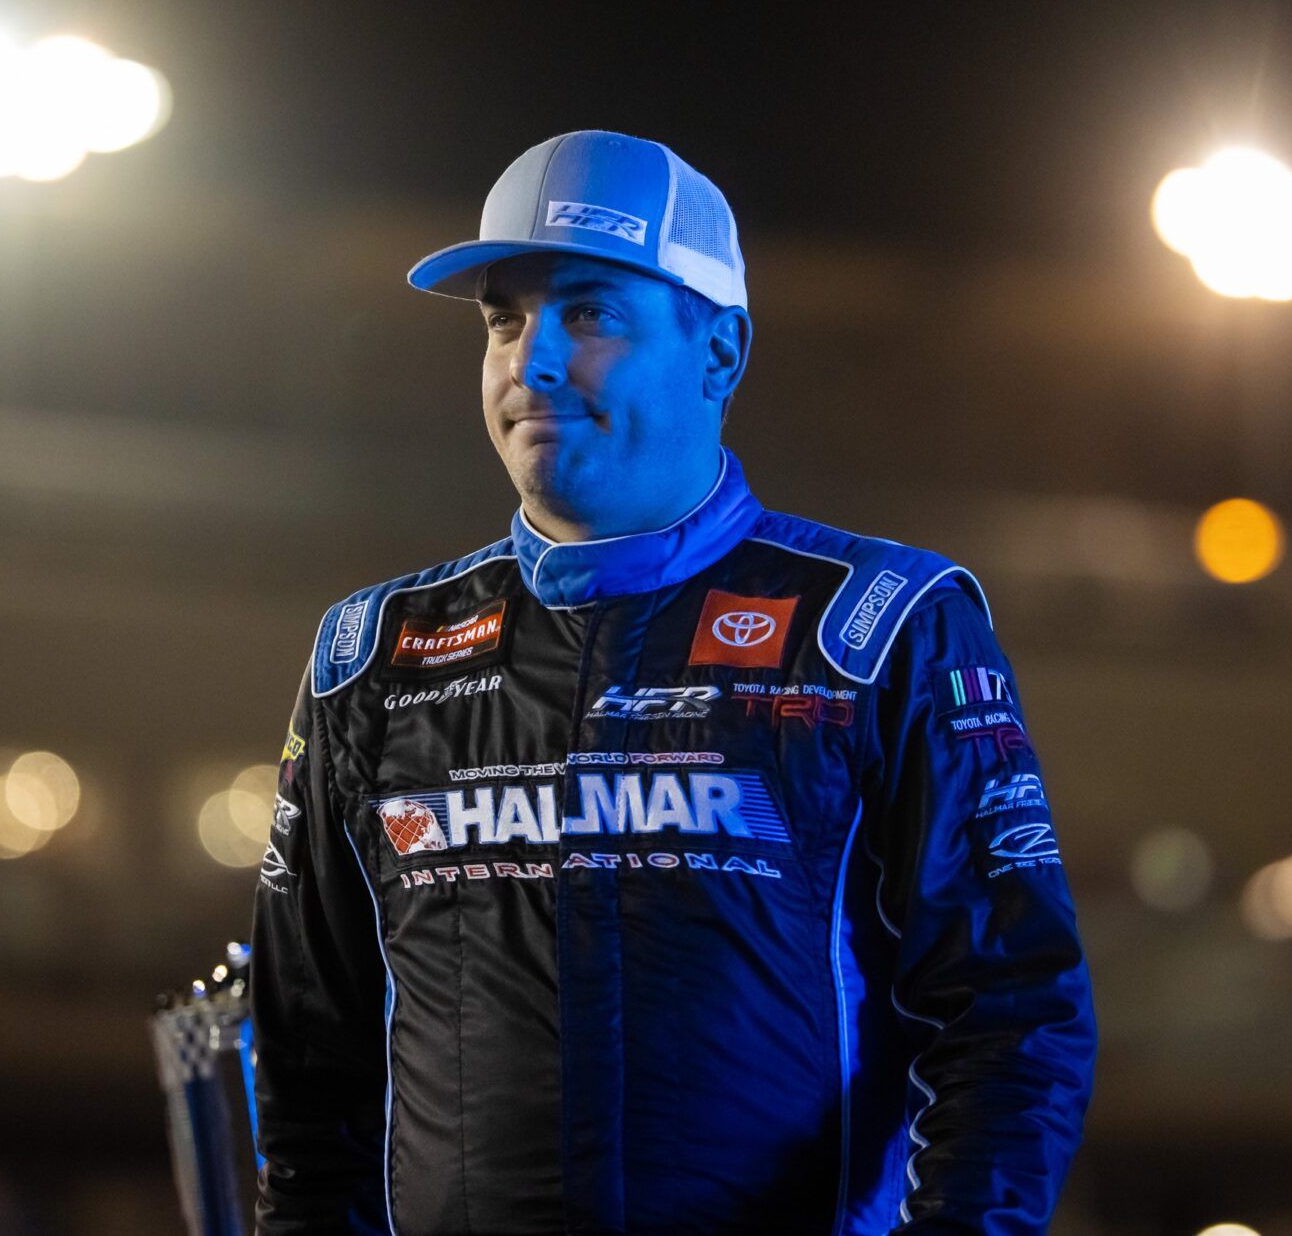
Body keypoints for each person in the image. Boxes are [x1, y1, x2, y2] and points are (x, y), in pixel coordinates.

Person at [248, 129, 1096, 1235]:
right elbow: (311, 1062)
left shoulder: (878, 627)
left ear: (721, 351)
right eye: (505, 318)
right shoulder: (372, 652)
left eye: (590, 313)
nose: (532, 360)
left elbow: (1012, 1018)